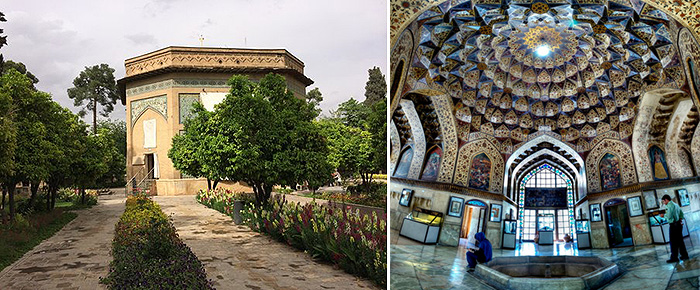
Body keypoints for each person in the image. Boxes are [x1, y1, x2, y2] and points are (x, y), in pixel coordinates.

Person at [661, 194, 689, 263]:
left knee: (673, 242)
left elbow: (669, 216)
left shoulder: (669, 206)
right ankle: (684, 255)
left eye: (664, 201)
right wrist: (680, 220)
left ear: (666, 200)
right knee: (680, 241)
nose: (664, 203)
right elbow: (681, 214)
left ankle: (674, 257)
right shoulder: (675, 204)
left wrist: (663, 216)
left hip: (673, 225)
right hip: (678, 225)